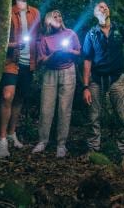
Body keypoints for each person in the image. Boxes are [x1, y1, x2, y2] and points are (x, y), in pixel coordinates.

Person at [81, 1, 124, 172]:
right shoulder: (91, 34)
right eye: (99, 7)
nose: (103, 8)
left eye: (105, 6)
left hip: (117, 79)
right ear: (95, 14)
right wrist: (85, 87)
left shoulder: (119, 29)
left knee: (122, 117)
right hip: (96, 80)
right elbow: (87, 61)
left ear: (109, 10)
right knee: (94, 116)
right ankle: (93, 151)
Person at [0, 0, 40, 159]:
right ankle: (2, 139)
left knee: (19, 99)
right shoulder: (8, 11)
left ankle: (13, 134)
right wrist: (15, 44)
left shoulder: (35, 12)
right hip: (11, 61)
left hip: (29, 63)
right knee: (7, 96)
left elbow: (38, 36)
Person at [32, 10, 80, 158]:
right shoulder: (44, 38)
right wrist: (53, 55)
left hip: (68, 72)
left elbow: (78, 52)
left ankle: (61, 144)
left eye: (60, 16)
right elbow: (41, 61)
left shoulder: (70, 33)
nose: (58, 18)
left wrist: (69, 50)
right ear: (48, 21)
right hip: (50, 73)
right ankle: (42, 141)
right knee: (46, 108)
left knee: (64, 108)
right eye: (54, 17)